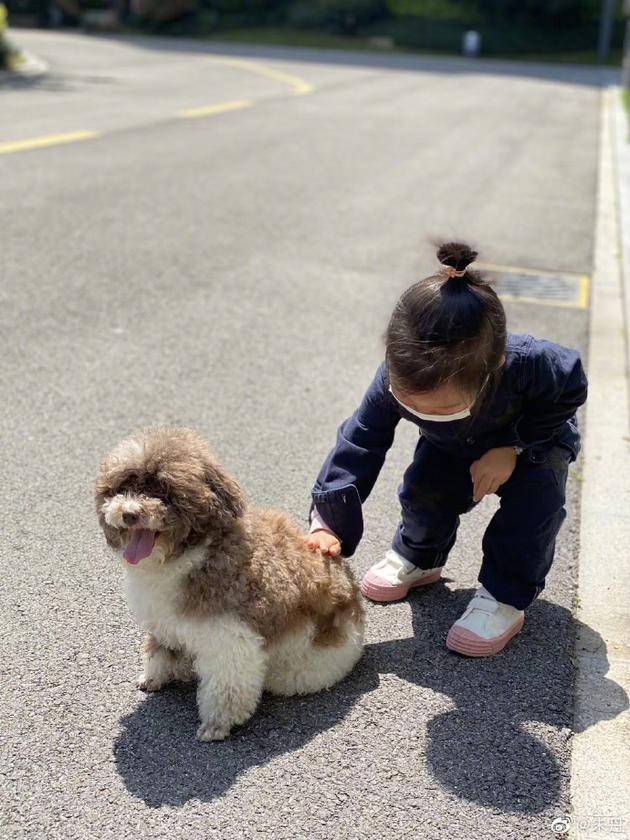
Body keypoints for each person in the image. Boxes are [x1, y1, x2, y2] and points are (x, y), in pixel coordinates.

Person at [303, 242, 587, 657]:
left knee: (531, 514)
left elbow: (571, 388)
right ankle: (421, 556)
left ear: (492, 371)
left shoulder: (531, 363)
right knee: (423, 490)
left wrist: (514, 445)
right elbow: (360, 439)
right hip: (451, 442)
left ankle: (504, 596)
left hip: (534, 441)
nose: (419, 410)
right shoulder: (395, 379)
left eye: (440, 407)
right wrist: (329, 521)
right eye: (411, 403)